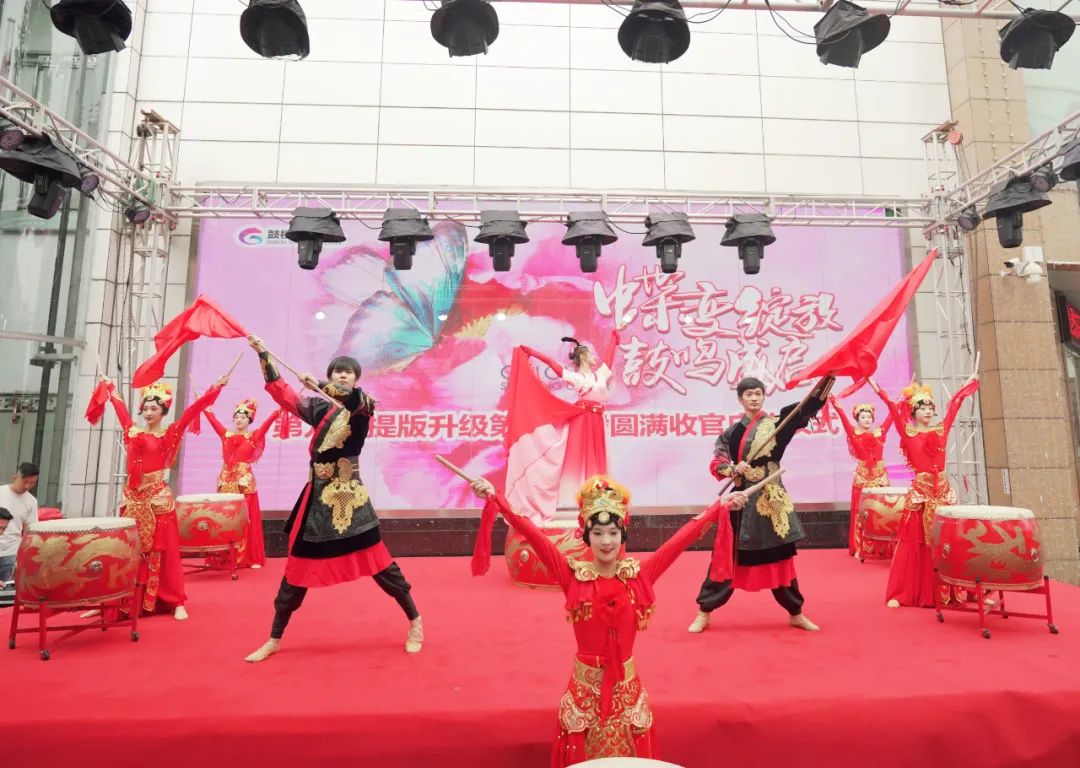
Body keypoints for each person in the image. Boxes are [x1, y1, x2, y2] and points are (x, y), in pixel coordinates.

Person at [469, 473, 748, 766]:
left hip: (627, 695)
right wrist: (495, 497)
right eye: (599, 533)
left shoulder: (639, 577)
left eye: (613, 533)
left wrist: (720, 507)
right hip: (584, 697)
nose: (606, 541)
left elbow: (679, 541)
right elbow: (533, 534)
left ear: (622, 534)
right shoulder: (573, 577)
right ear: (586, 536)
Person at [243, 336, 422, 662]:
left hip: (348, 496)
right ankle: (274, 638)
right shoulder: (320, 409)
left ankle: (415, 621)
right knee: (297, 566)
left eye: (347, 372)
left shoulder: (363, 406)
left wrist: (320, 383)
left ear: (356, 379)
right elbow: (285, 395)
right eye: (337, 371)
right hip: (316, 496)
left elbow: (354, 401)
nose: (342, 376)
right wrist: (263, 354)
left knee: (379, 564)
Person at [689, 375, 833, 634]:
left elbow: (803, 410)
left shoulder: (778, 424)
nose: (754, 398)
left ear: (764, 396)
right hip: (741, 500)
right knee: (727, 557)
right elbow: (717, 464)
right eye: (749, 394)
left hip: (772, 500)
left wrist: (828, 378)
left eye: (758, 393)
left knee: (781, 557)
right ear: (740, 399)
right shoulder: (730, 434)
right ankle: (704, 611)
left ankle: (796, 613)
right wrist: (733, 468)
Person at [100, 377, 226, 619]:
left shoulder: (169, 433)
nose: (148, 413)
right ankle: (118, 600)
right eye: (145, 408)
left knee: (165, 551)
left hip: (157, 499)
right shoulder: (132, 430)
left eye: (154, 409)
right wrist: (110, 387)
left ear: (163, 411)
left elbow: (192, 412)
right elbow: (120, 409)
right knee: (128, 551)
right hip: (133, 499)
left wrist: (215, 388)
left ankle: (175, 600)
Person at [869, 373, 979, 608]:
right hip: (921, 496)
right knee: (915, 543)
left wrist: (967, 384)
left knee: (950, 541)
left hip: (943, 493)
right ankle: (907, 592)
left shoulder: (941, 429)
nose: (928, 411)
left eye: (930, 407)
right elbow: (892, 407)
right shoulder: (907, 433)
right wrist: (877, 388)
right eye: (923, 408)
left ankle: (957, 590)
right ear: (913, 412)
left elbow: (954, 405)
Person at [505, 318, 628, 524]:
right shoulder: (577, 378)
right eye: (591, 354)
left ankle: (598, 498)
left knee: (597, 460)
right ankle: (576, 498)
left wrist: (615, 333)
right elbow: (554, 366)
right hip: (583, 421)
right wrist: (533, 353)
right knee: (577, 462)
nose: (595, 356)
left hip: (597, 422)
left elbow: (609, 355)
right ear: (583, 357)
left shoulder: (600, 375)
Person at [204, 399, 282, 568]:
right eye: (237, 417)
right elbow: (213, 421)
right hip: (226, 482)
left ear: (249, 420)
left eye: (243, 417)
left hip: (243, 483)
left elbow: (267, 425)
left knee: (245, 519)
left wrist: (277, 412)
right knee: (223, 519)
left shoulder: (253, 437)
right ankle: (221, 558)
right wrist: (205, 408)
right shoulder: (225, 435)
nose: (239, 419)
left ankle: (249, 557)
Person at [828, 395, 893, 557]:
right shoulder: (854, 433)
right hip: (862, 479)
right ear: (857, 419)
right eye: (863, 417)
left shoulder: (880, 433)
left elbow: (892, 416)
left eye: (869, 417)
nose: (867, 419)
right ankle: (861, 547)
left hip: (880, 479)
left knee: (883, 512)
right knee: (861, 513)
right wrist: (834, 402)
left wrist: (898, 401)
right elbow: (843, 417)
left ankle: (882, 548)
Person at [0, 463, 41, 584]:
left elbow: (30, 531)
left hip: (12, 552)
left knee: (8, 588)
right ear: (15, 477)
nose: (28, 486)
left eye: (32, 483)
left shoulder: (31, 501)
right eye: (25, 481)